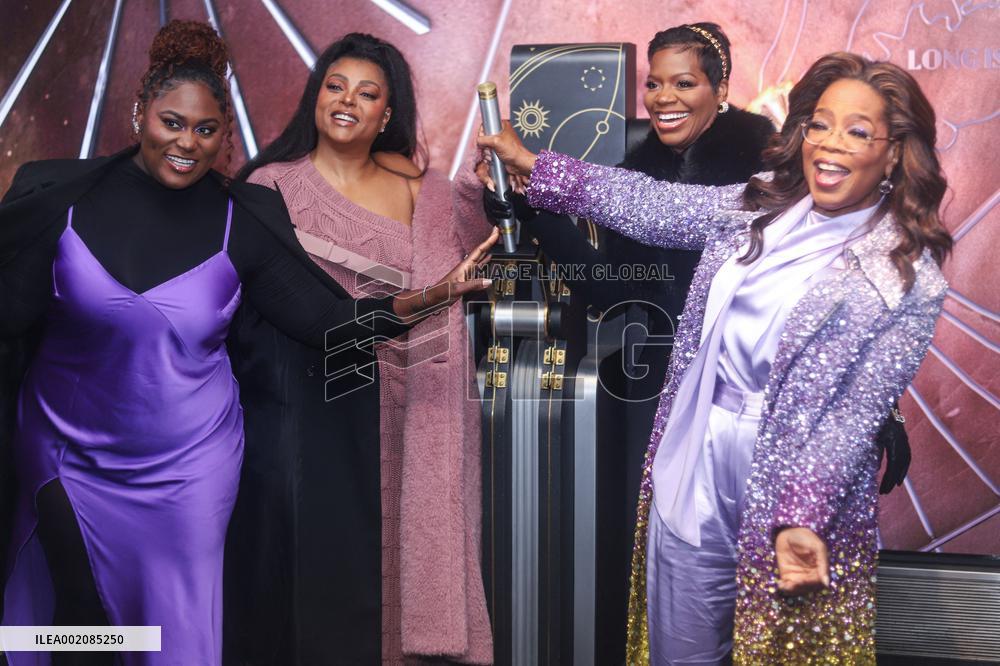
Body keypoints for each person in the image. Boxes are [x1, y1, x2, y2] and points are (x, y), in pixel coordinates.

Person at [0, 21, 495, 666]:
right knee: (76, 622)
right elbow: (10, 315)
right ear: (138, 112)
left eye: (205, 130)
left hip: (189, 474)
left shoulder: (246, 218)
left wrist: (431, 295)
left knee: (173, 638)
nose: (186, 143)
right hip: (66, 456)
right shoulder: (58, 199)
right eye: (171, 122)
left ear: (224, 136)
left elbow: (325, 322)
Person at [477, 51, 950, 664]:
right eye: (820, 124)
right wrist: (536, 166)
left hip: (793, 474)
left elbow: (852, 419)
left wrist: (800, 518)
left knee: (778, 651)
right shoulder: (767, 202)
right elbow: (659, 208)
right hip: (695, 450)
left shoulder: (907, 274)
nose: (830, 145)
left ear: (893, 152)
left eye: (857, 131)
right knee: (683, 645)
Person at [481, 25, 773, 657]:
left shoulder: (764, 172)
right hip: (645, 390)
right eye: (654, 82)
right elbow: (610, 287)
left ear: (721, 90)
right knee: (644, 560)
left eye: (684, 82)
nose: (663, 97)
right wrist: (531, 210)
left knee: (733, 575)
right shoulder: (637, 165)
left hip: (730, 401)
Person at [230, 33, 492, 665]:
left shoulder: (422, 191)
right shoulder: (272, 187)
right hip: (313, 411)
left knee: (406, 570)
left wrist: (485, 188)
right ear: (316, 97)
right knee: (326, 583)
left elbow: (474, 253)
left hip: (416, 406)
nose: (347, 101)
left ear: (387, 113)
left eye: (367, 93)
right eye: (335, 86)